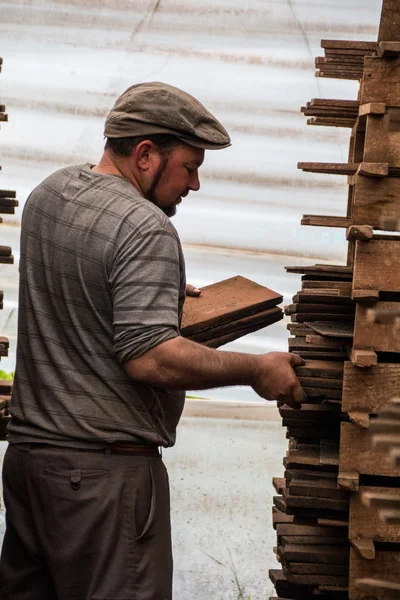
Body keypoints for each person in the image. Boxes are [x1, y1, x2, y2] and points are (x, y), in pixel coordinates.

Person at [0, 82, 306, 600]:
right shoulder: (145, 227)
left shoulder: (48, 196)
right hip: (103, 480)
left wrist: (149, 294)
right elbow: (150, 360)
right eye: (190, 166)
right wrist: (256, 370)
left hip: (31, 466)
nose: (195, 184)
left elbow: (78, 294)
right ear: (146, 155)